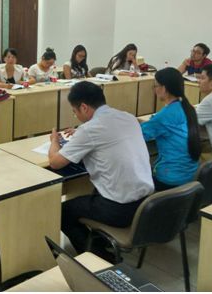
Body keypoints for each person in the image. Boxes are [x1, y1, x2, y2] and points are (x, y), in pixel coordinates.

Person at [47, 81, 154, 261]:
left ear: (84, 107)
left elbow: (55, 162)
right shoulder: (128, 117)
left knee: (63, 212)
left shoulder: (89, 130)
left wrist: (54, 141)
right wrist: (81, 133)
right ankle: (100, 243)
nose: (75, 115)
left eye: (74, 111)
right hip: (146, 203)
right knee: (91, 191)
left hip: (120, 209)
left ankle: (101, 258)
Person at [141, 68, 201, 190]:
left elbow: (138, 135)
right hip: (191, 174)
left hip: (170, 178)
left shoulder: (164, 116)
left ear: (164, 88)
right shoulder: (188, 107)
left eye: (155, 86)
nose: (154, 90)